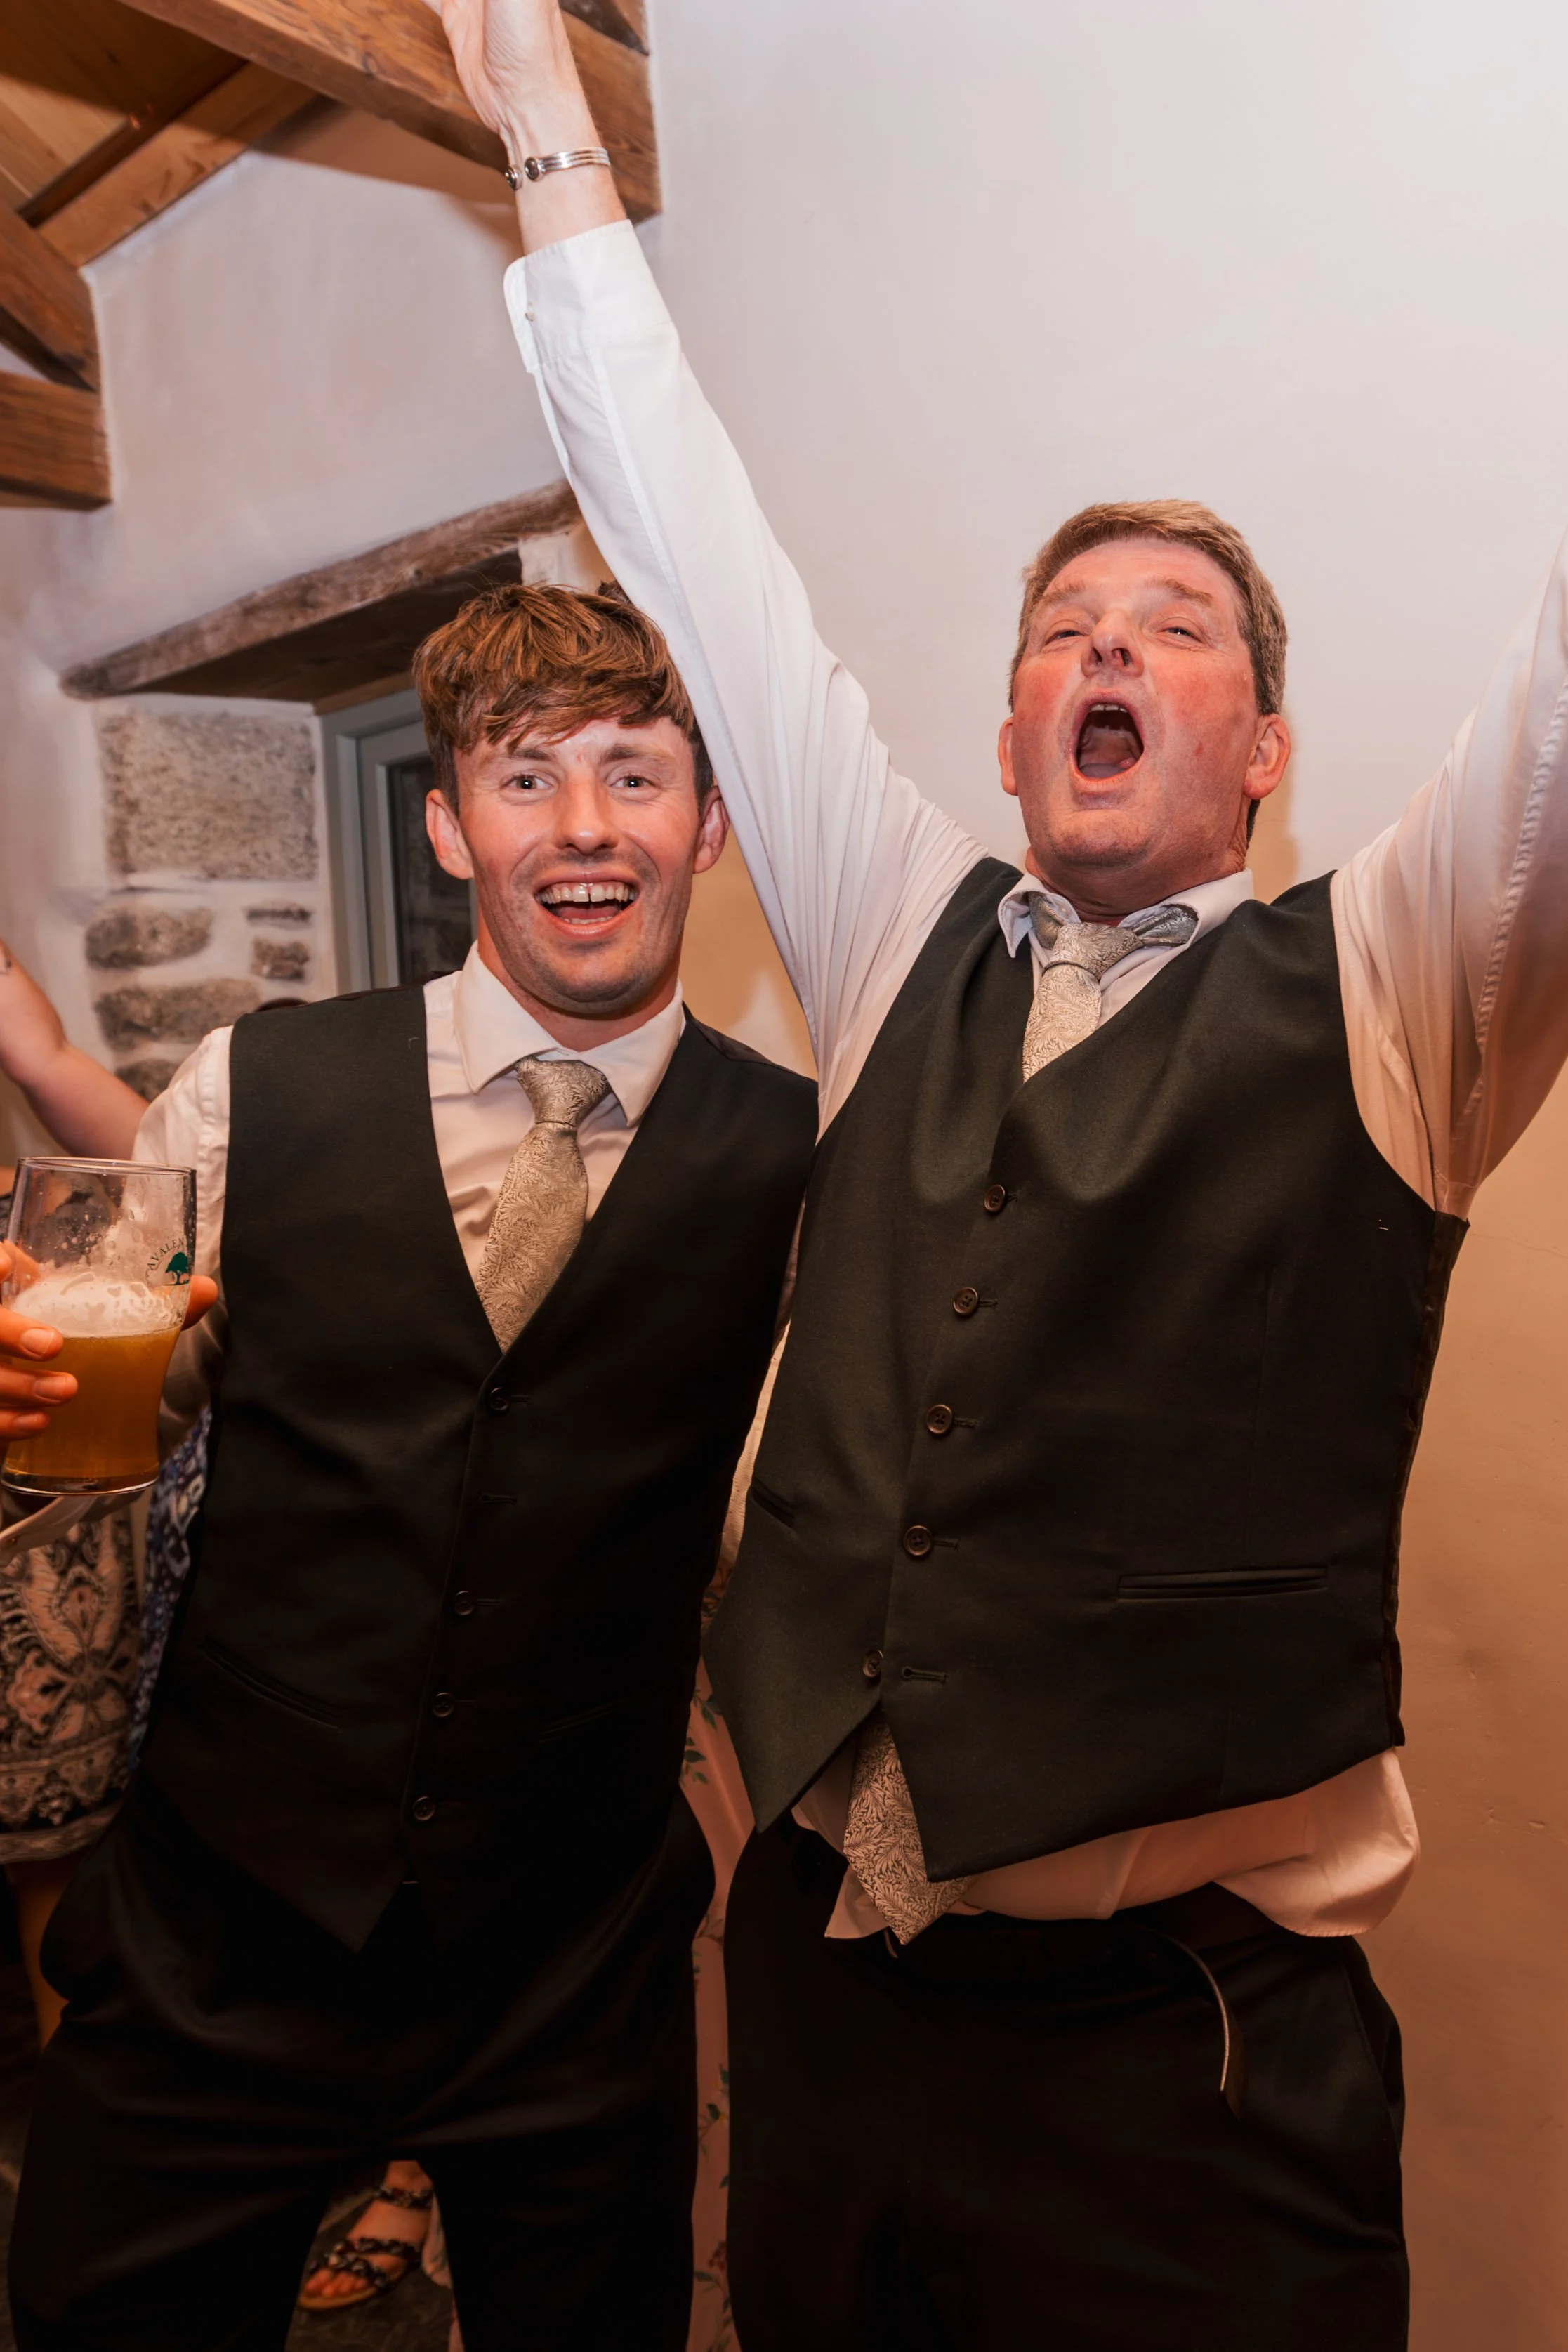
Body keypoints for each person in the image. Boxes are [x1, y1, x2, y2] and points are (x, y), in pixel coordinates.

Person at [432, 7, 1568, 2345]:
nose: (1107, 644)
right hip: (826, 1994)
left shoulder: (1399, 985)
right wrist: (544, 120)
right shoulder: (895, 932)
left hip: (1184, 2063)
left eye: (1176, 630)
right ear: (1013, 726)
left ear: (1262, 746)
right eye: (1065, 629)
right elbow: (701, 555)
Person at [8, 584, 816, 2352]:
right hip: (217, 1941)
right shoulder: (256, 1082)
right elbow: (132, 1392)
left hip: (573, 1973)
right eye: (527, 777)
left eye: (634, 774)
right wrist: (29, 1380)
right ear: (451, 827)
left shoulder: (800, 1157)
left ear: (710, 826)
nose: (586, 825)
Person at [0, 942, 149, 2046]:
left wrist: (39, 1051)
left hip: (47, 1525)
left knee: (61, 1862)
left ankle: (72, 2091)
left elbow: (172, 1176)